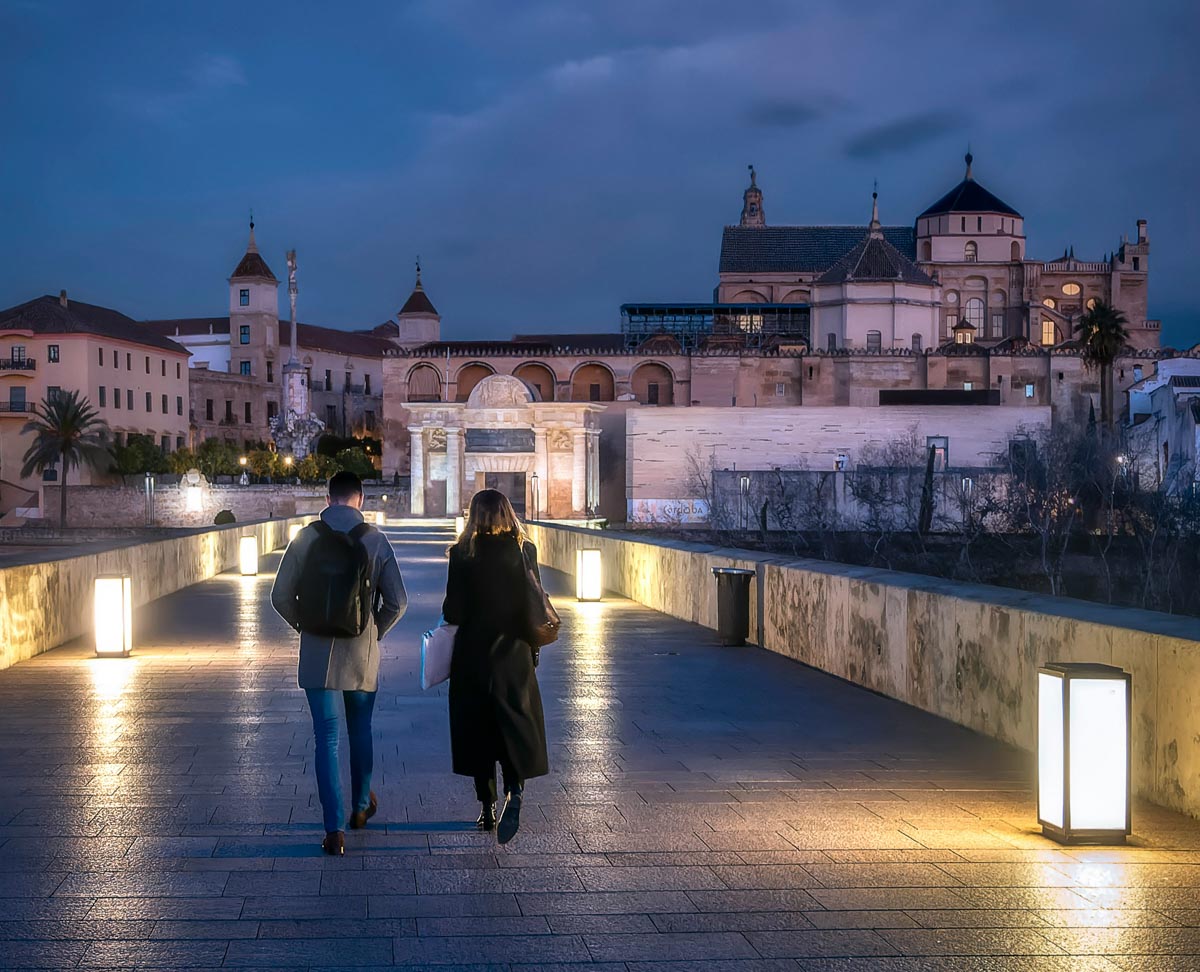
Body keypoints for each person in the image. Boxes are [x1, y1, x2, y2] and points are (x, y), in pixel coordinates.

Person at [271, 471, 407, 855]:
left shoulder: (305, 538)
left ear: (328, 499)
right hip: (360, 654)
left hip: (317, 655)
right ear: (360, 499)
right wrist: (372, 631)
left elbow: (280, 596)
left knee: (326, 739)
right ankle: (361, 807)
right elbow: (399, 602)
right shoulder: (375, 541)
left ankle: (334, 831)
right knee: (360, 730)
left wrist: (305, 626)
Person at [442, 488, 549, 844]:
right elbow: (534, 604)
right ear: (508, 513)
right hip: (515, 653)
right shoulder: (524, 550)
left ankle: (486, 807)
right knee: (513, 724)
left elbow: (452, 611)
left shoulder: (462, 554)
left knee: (478, 729)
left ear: (474, 515)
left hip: (473, 654)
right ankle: (514, 791)